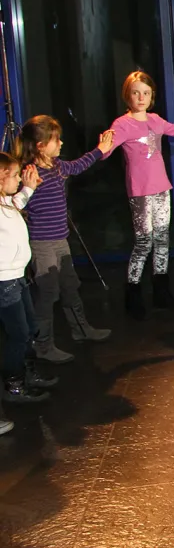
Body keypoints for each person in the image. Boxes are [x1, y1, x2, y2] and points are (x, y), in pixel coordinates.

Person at [17, 116, 115, 364]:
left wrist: (99, 151)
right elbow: (17, 200)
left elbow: (78, 165)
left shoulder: (57, 166)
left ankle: (81, 329)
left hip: (60, 240)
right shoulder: (29, 172)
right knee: (48, 292)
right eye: (55, 139)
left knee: (70, 285)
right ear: (40, 145)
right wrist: (25, 188)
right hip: (41, 243)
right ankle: (43, 344)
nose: (61, 143)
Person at [105, 72, 174, 319]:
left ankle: (161, 292)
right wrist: (101, 148)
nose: (141, 97)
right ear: (127, 94)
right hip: (140, 191)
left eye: (146, 93)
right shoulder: (122, 124)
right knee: (143, 242)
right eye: (136, 92)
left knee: (162, 240)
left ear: (152, 97)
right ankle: (133, 292)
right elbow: (106, 152)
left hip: (161, 188)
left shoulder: (155, 120)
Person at [0, 154, 57, 405]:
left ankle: (27, 373)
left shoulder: (7, 202)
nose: (17, 179)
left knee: (29, 327)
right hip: (5, 282)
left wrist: (29, 187)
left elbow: (20, 198)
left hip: (18, 277)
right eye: (13, 176)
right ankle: (14, 384)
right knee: (18, 334)